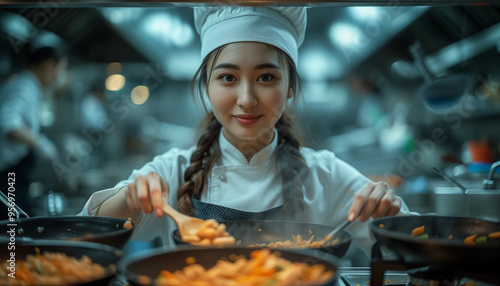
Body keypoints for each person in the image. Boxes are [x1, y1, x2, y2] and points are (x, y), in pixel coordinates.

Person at [79, 7, 416, 257]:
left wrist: (386, 209)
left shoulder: (325, 175)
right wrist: (128, 197)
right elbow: (83, 235)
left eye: (266, 77)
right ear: (206, 87)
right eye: (227, 77)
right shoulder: (173, 170)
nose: (246, 99)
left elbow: (415, 243)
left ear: (291, 87)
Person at [0, 43, 67, 220]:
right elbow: (9, 124)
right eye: (61, 68)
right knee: (13, 230)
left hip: (13, 171)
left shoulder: (30, 86)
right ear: (48, 64)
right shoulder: (24, 86)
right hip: (8, 173)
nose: (60, 75)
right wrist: (40, 143)